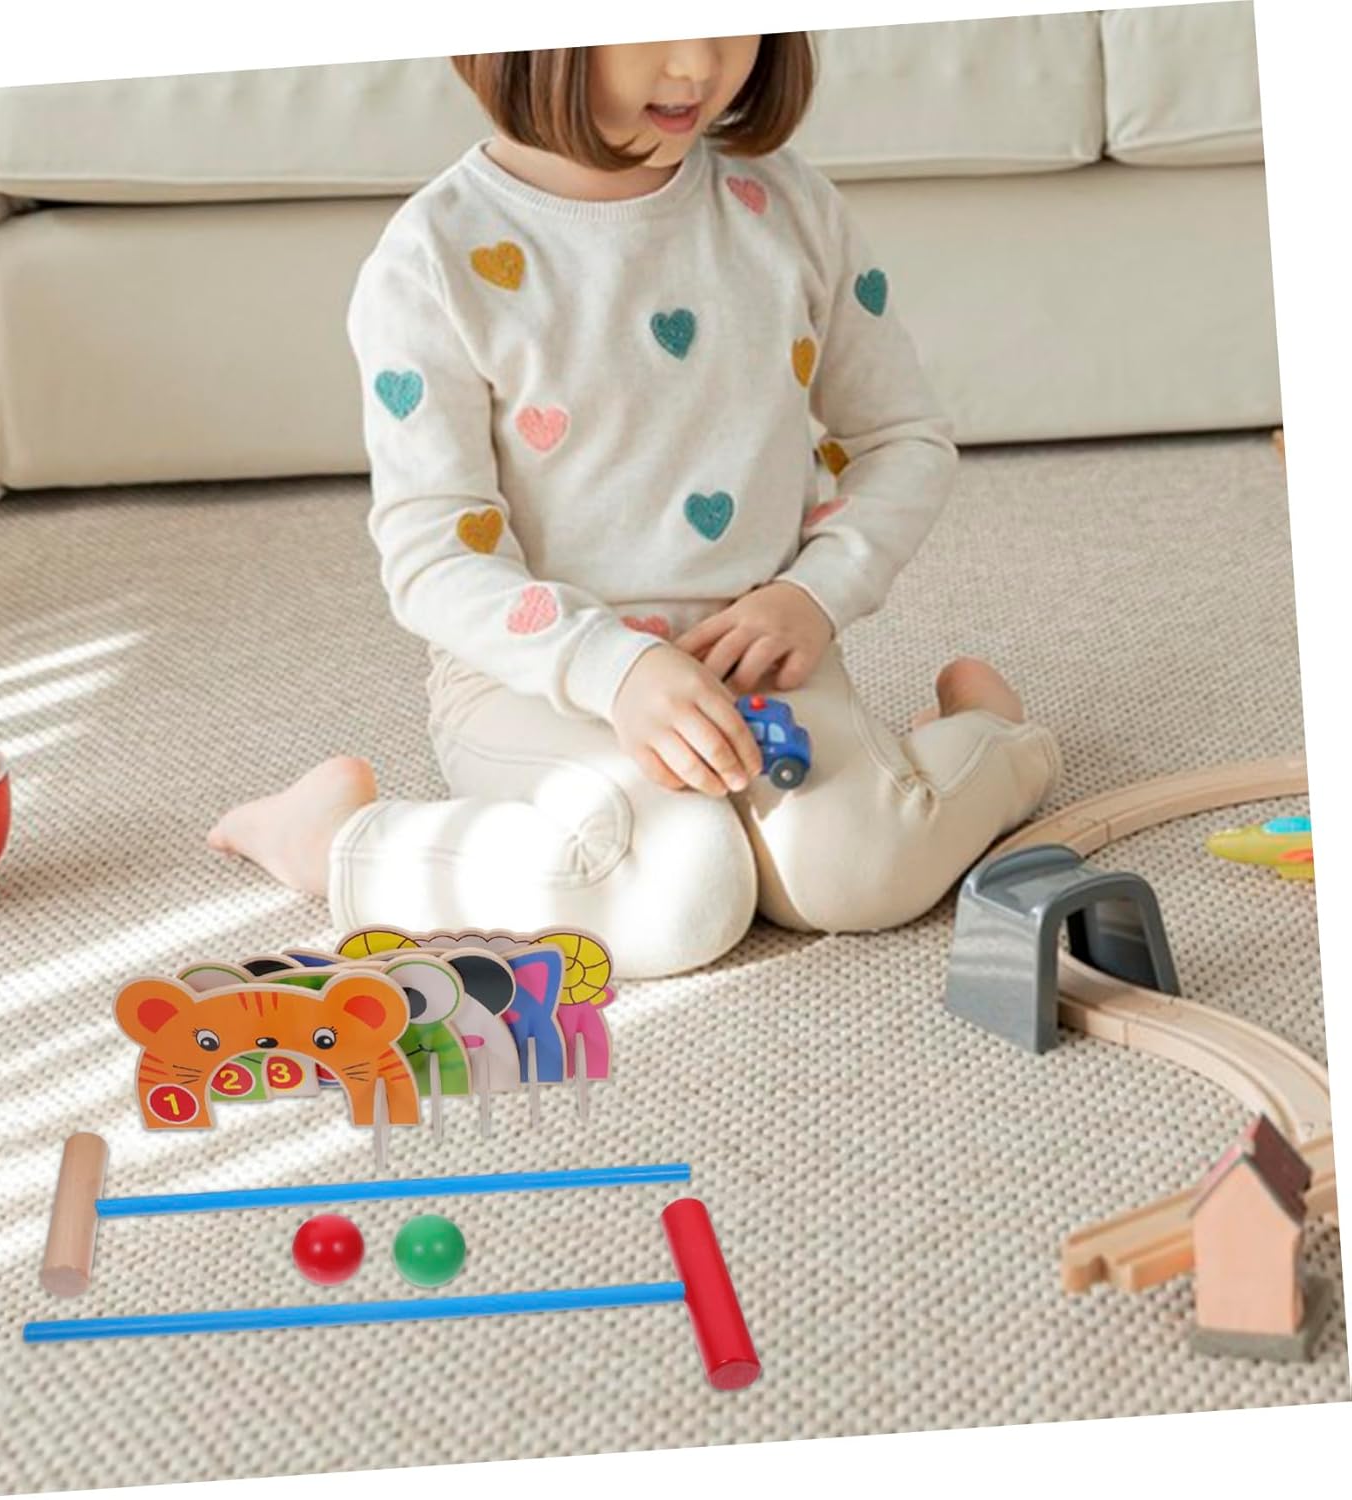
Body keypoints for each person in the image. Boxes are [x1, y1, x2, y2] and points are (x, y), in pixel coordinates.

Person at [210, 36, 1062, 978]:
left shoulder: (789, 206)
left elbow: (903, 438)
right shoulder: (431, 259)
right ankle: (334, 839)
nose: (697, 65)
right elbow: (431, 560)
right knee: (678, 894)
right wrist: (612, 670)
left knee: (862, 873)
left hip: (757, 647)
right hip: (533, 676)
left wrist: (813, 594)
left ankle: (995, 743)